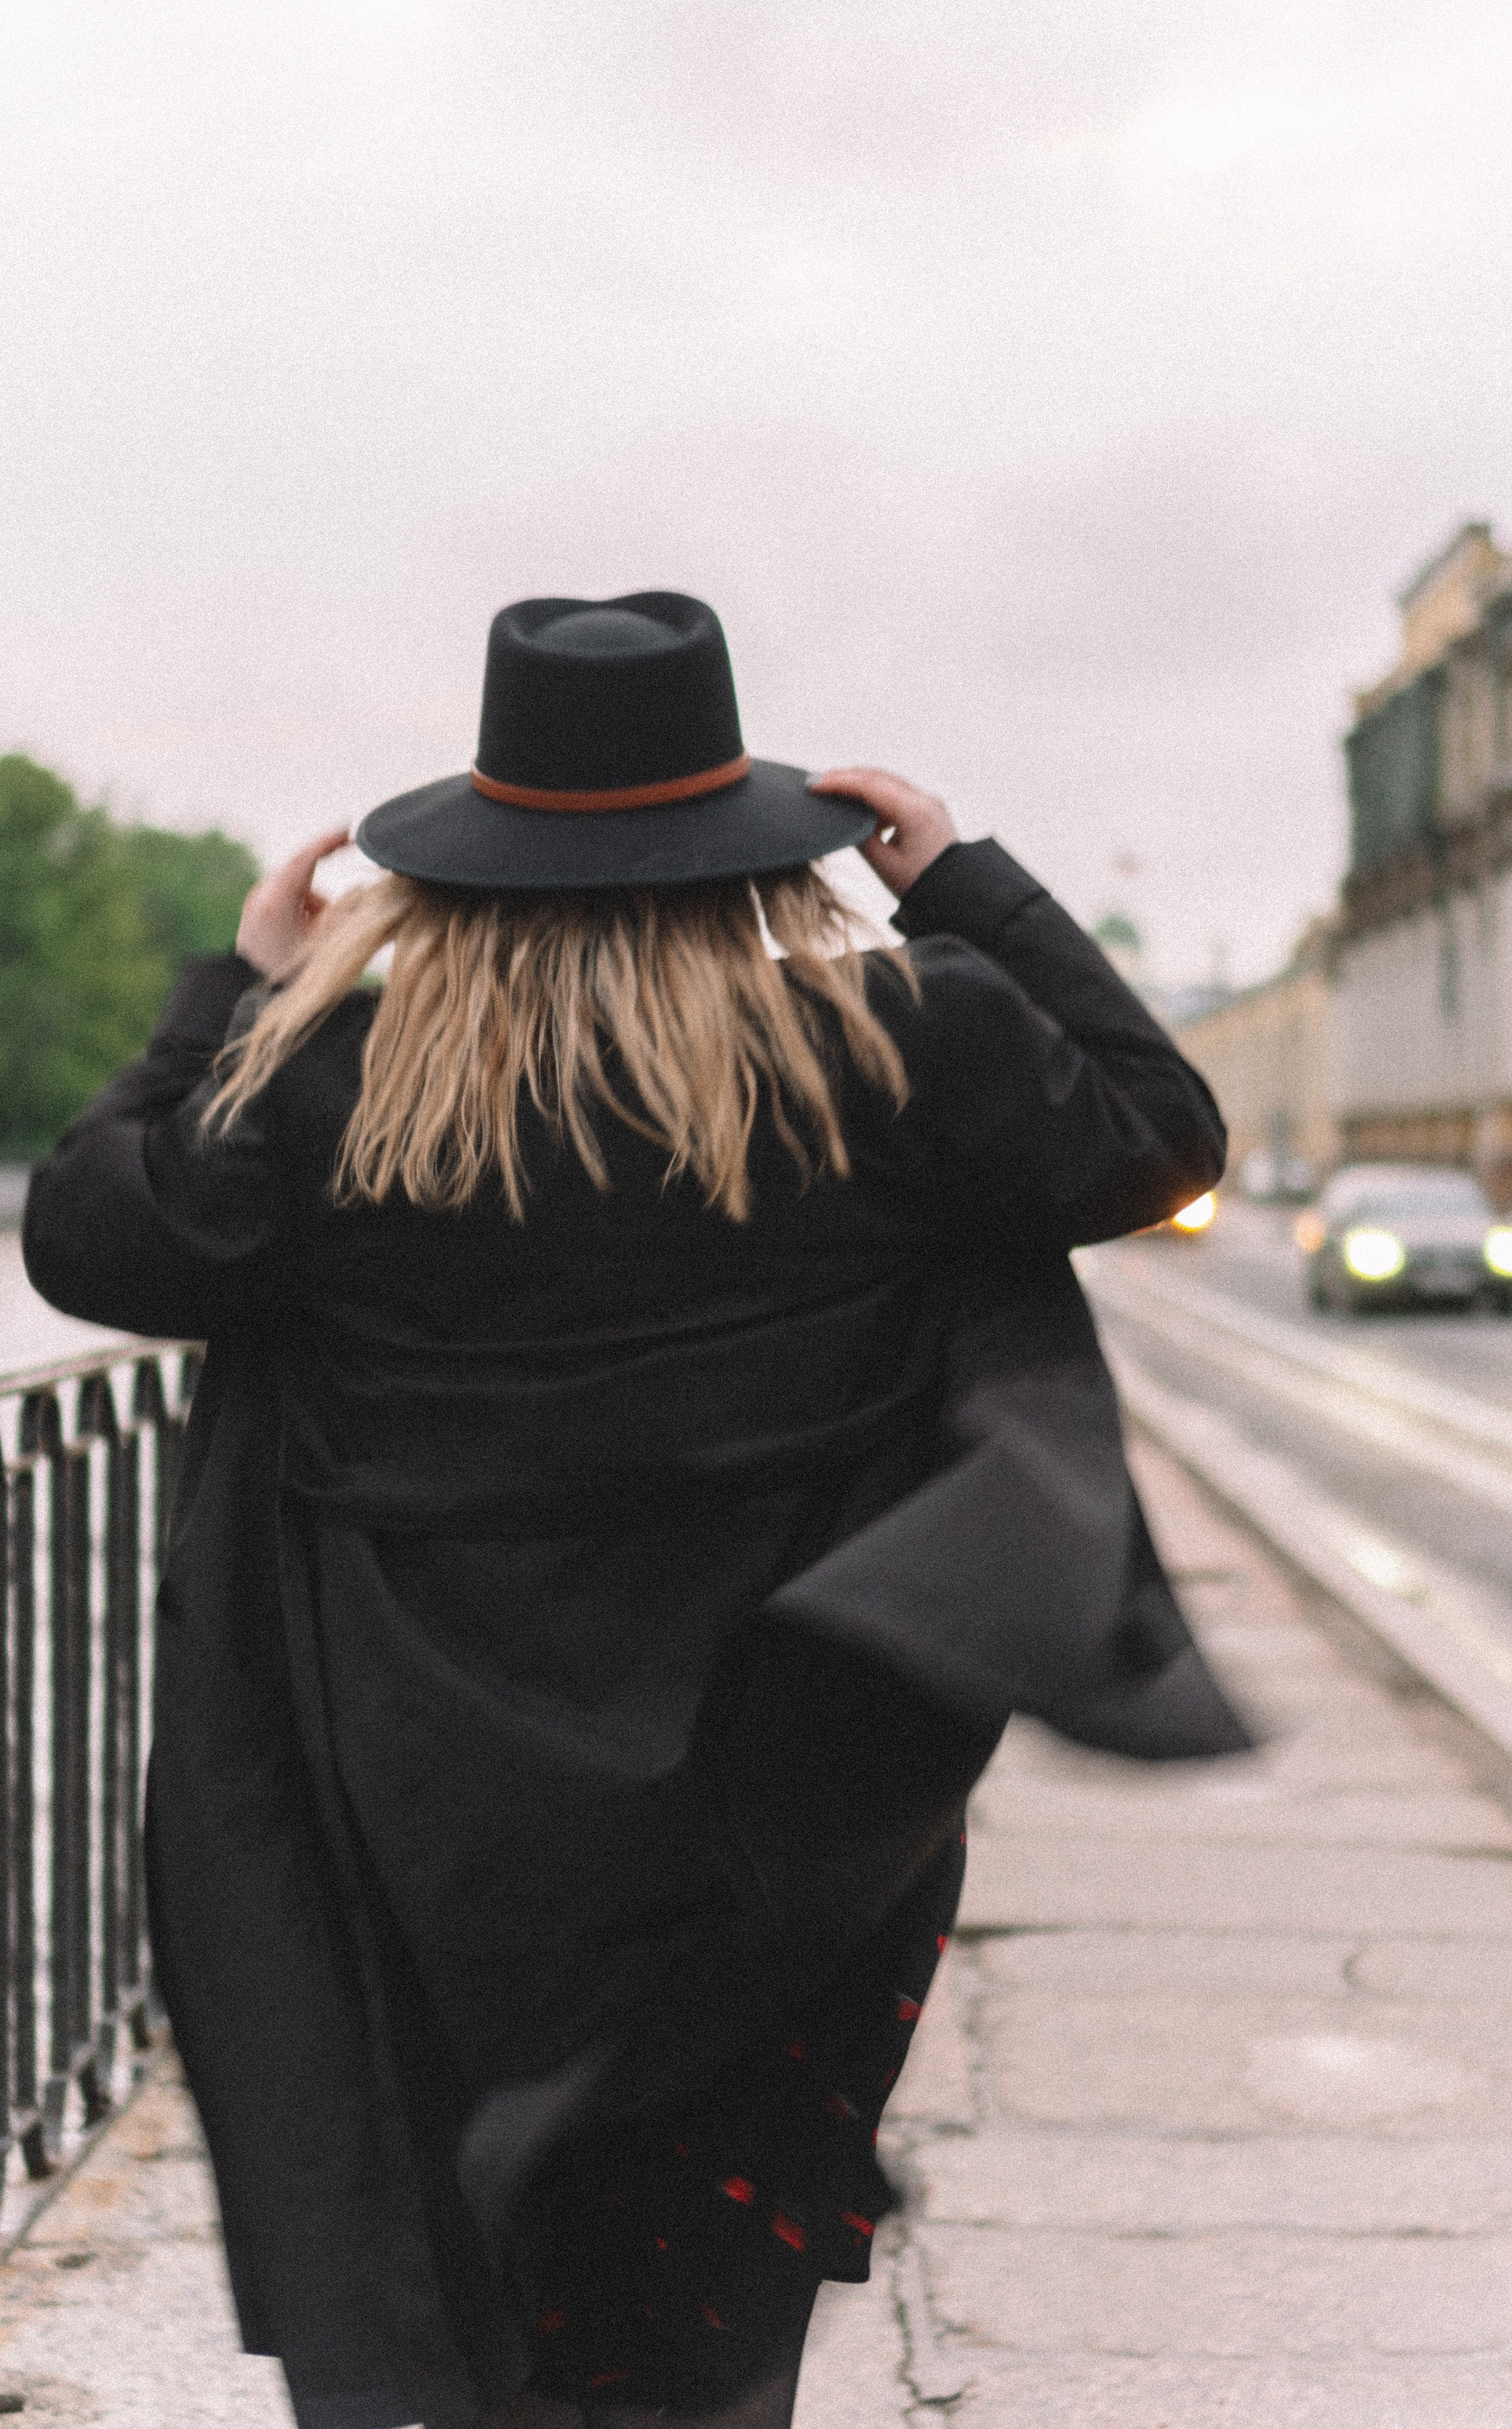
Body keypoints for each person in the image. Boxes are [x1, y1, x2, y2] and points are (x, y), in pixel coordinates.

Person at [23, 592, 1245, 2429]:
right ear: (754, 855)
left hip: (423, 1817)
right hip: (785, 1804)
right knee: (711, 2264)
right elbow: (1160, 1136)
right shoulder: (897, 1057)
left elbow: (93, 1231)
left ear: (465, 867)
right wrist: (967, 884)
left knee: (459, 2256)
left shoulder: (345, 1103)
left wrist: (253, 986)